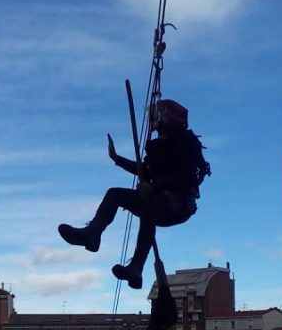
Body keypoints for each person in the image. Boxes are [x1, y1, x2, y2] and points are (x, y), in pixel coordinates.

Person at [58, 99, 209, 289]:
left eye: (155, 117)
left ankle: (136, 265)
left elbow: (187, 175)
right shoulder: (160, 147)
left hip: (177, 205)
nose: (152, 122)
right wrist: (117, 159)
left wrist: (154, 187)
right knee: (117, 196)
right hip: (161, 201)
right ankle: (94, 236)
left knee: (149, 206)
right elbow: (146, 171)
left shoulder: (185, 143)